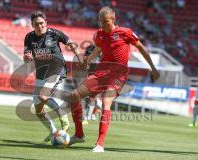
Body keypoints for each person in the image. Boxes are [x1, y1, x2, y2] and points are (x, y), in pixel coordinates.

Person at [68, 6, 160, 152]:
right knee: (73, 96)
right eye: (101, 22)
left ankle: (99, 144)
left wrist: (153, 68)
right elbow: (99, 49)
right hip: (100, 73)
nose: (103, 25)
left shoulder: (125, 32)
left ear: (113, 19)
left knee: (106, 101)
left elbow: (142, 48)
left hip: (118, 74)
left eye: (106, 22)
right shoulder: (99, 34)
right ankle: (79, 134)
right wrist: (88, 59)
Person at [23, 11, 81, 144]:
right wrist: (26, 58)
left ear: (46, 23)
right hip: (41, 74)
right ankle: (53, 130)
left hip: (57, 71)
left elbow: (71, 44)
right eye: (36, 24)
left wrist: (79, 56)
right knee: (38, 110)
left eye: (42, 23)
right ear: (32, 25)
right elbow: (26, 58)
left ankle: (63, 117)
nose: (40, 26)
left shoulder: (54, 33)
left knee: (43, 96)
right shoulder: (29, 37)